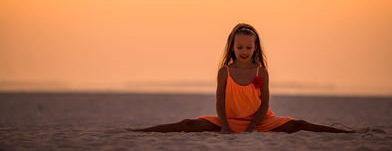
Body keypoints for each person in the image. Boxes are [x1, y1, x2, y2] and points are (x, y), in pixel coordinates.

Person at [126, 23, 354, 134]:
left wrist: (254, 125)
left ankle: (346, 133)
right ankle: (139, 132)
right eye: (240, 47)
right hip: (229, 120)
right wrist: (225, 126)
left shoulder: (261, 72)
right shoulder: (224, 71)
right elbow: (219, 102)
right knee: (187, 123)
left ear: (254, 48)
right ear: (233, 48)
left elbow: (265, 104)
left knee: (299, 124)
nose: (244, 50)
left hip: (259, 121)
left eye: (248, 46)